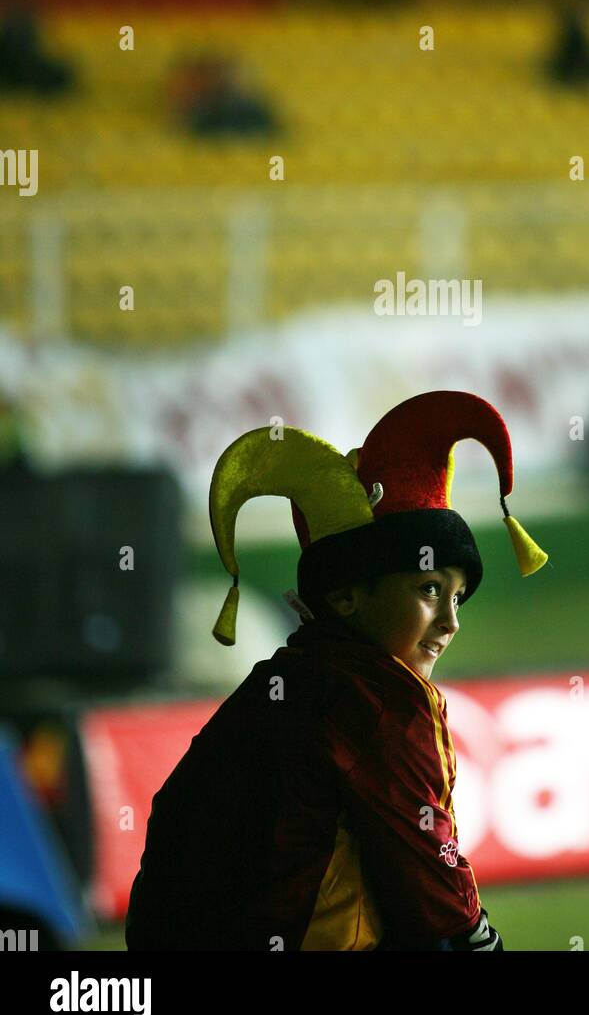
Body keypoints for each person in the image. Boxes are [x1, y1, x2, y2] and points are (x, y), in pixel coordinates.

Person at [125, 390, 547, 951]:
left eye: (458, 596)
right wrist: (483, 941)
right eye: (428, 590)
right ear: (346, 595)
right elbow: (435, 895)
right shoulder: (381, 701)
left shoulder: (279, 679)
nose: (451, 622)